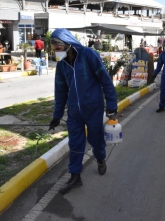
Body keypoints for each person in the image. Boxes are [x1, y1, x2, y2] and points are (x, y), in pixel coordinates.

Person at [48, 28, 118, 194]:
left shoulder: (88, 55)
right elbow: (60, 90)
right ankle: (75, 176)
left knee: (96, 139)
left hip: (93, 108)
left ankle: (100, 158)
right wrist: (57, 115)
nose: (56, 53)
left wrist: (112, 104)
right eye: (54, 50)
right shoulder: (61, 64)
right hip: (74, 112)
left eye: (58, 49)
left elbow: (105, 80)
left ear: (67, 44)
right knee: (75, 143)